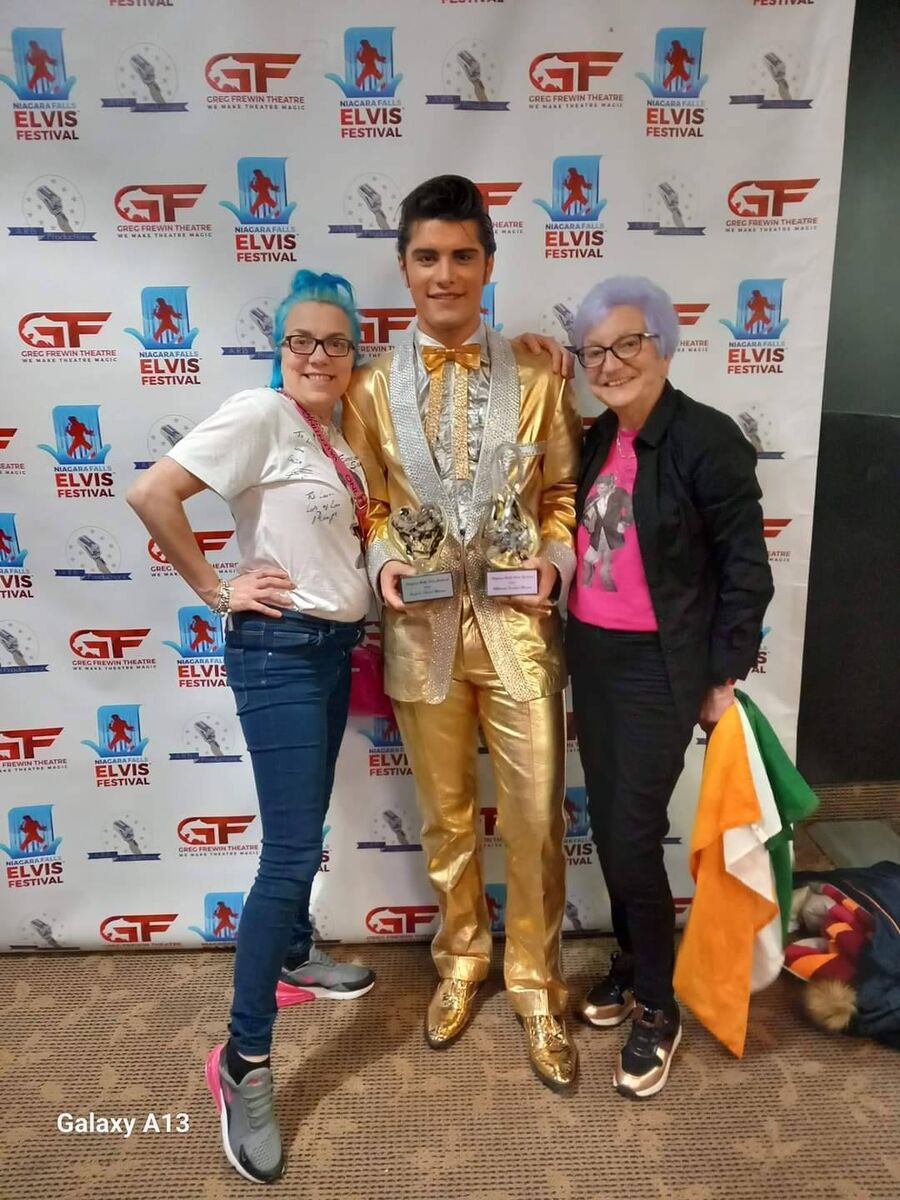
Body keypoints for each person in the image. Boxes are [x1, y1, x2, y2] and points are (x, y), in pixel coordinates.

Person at [126, 269, 377, 1183]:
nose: (318, 356)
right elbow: (154, 493)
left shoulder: (336, 431)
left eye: (336, 343)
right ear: (280, 350)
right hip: (278, 651)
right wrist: (213, 588)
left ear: (354, 355)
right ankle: (242, 1062)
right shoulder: (262, 412)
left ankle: (298, 953)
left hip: (330, 648)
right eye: (301, 341)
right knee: (284, 854)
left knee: (304, 836)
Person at [342, 175, 582, 1091]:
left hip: (521, 630)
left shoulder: (538, 376)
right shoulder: (367, 389)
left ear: (489, 263)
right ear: (404, 268)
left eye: (462, 256)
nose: (445, 275)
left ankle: (533, 984)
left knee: (533, 823)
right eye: (427, 257)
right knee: (447, 823)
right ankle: (462, 963)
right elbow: (366, 504)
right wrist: (381, 564)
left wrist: (555, 560)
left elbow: (559, 492)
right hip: (423, 633)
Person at [566, 275, 774, 1099]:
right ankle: (632, 957)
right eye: (594, 352)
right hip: (594, 658)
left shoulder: (707, 439)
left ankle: (660, 1002)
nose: (610, 363)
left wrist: (722, 671)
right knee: (615, 825)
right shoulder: (595, 439)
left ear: (663, 343)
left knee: (627, 831)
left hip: (661, 669)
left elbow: (746, 572)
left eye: (627, 344)